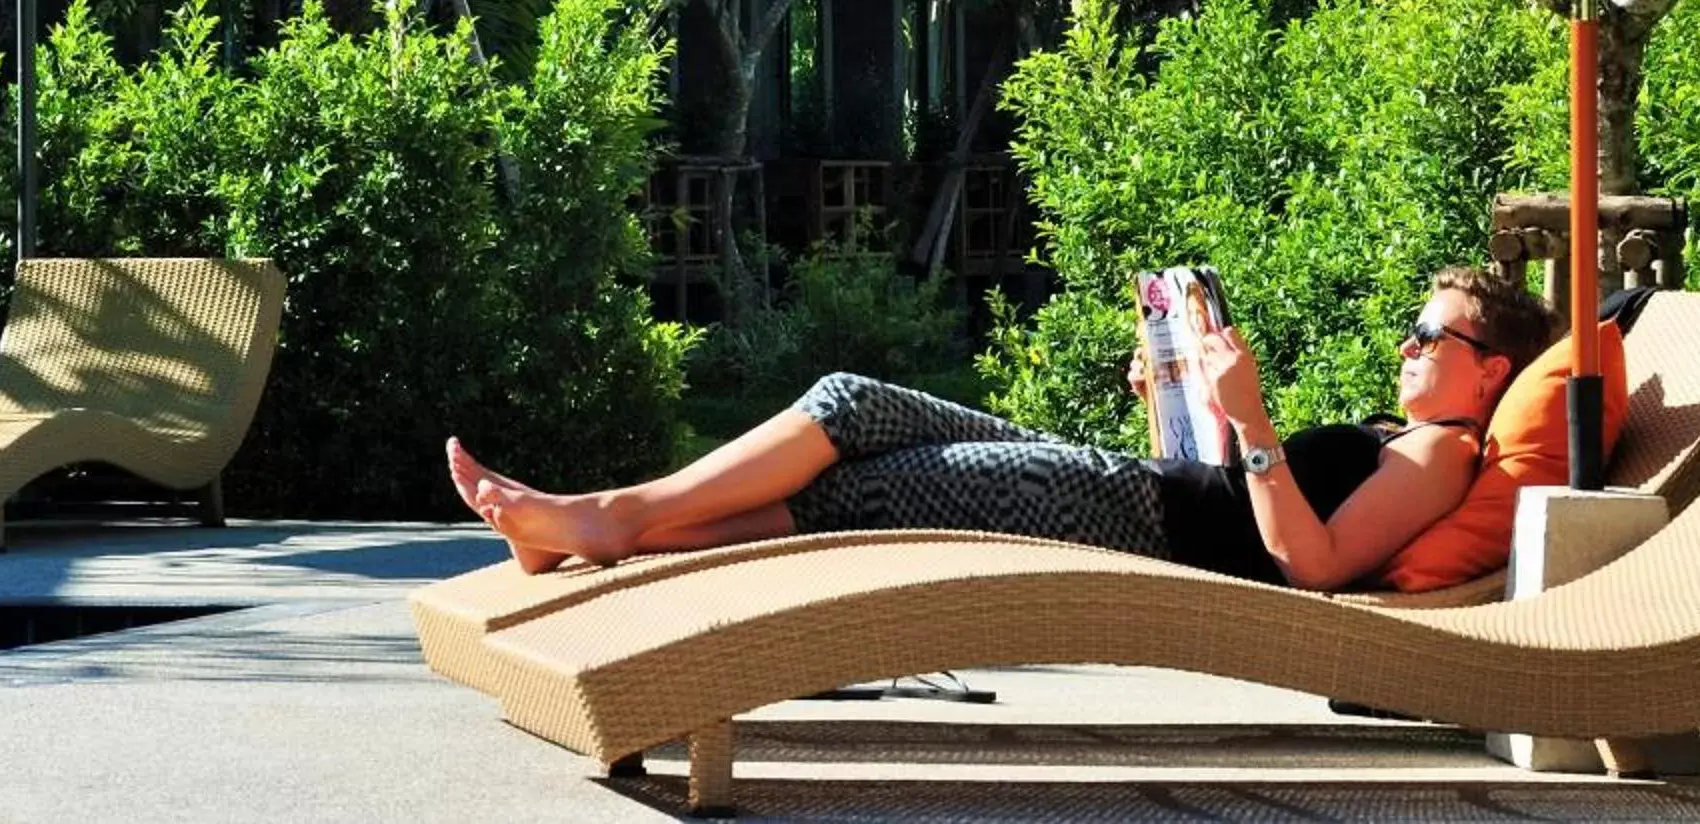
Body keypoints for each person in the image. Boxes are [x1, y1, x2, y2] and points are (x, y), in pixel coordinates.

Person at [447, 265, 1556, 589]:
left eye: (1431, 335)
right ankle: (608, 523)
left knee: (862, 493)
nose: (1408, 345)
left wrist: (1254, 420)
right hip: (1131, 489)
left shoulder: (1444, 460)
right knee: (851, 403)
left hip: (1124, 525)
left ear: (1491, 369)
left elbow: (1305, 569)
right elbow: (1240, 494)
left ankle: (604, 528)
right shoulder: (1396, 436)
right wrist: (1179, 402)